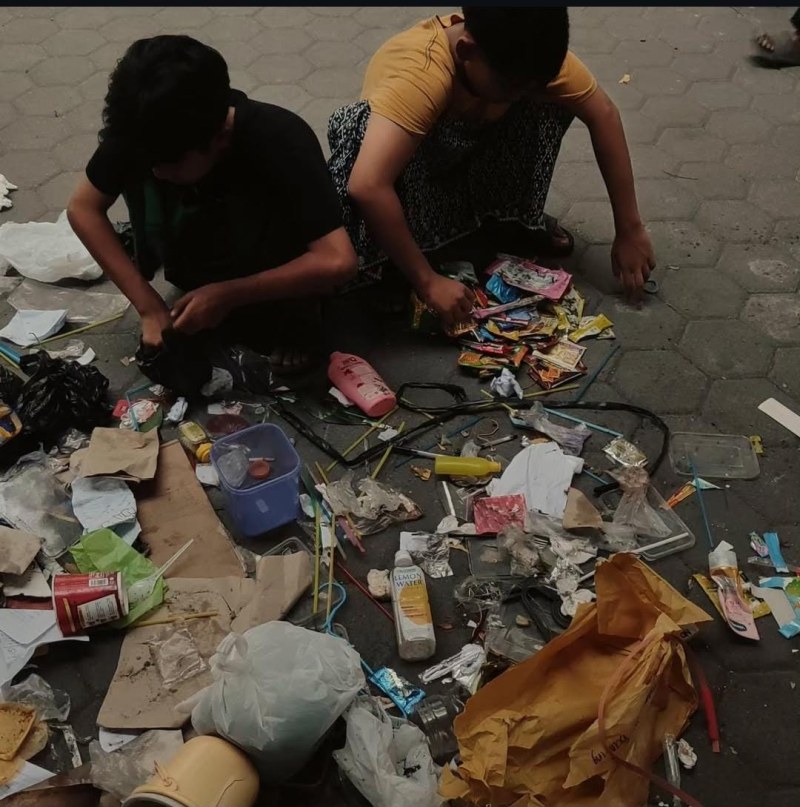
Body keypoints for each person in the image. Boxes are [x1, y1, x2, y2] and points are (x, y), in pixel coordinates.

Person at [327, 7, 655, 325]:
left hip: (464, 150)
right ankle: (394, 266)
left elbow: (604, 114)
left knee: (551, 100)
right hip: (410, 172)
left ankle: (506, 221)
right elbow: (367, 185)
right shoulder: (421, 75)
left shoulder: (527, 52)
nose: (521, 93)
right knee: (363, 136)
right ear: (466, 51)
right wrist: (427, 282)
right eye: (510, 86)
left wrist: (629, 229)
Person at [68, 35, 357, 382]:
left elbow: (338, 260)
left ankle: (298, 312)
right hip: (197, 261)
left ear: (219, 137)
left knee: (281, 327)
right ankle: (204, 297)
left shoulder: (279, 138)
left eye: (170, 164)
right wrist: (149, 307)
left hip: (273, 271)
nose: (157, 173)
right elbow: (83, 209)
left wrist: (229, 294)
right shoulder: (144, 129)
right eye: (151, 163)